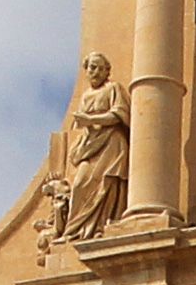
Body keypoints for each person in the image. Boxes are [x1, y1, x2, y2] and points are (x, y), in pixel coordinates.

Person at [37, 54, 129, 249]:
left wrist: (91, 120)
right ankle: (76, 232)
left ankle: (98, 226)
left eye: (100, 68)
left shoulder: (113, 88)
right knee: (79, 185)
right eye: (92, 68)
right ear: (86, 70)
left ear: (107, 72)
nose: (96, 72)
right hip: (90, 146)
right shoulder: (86, 95)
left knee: (104, 184)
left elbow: (119, 114)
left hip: (110, 143)